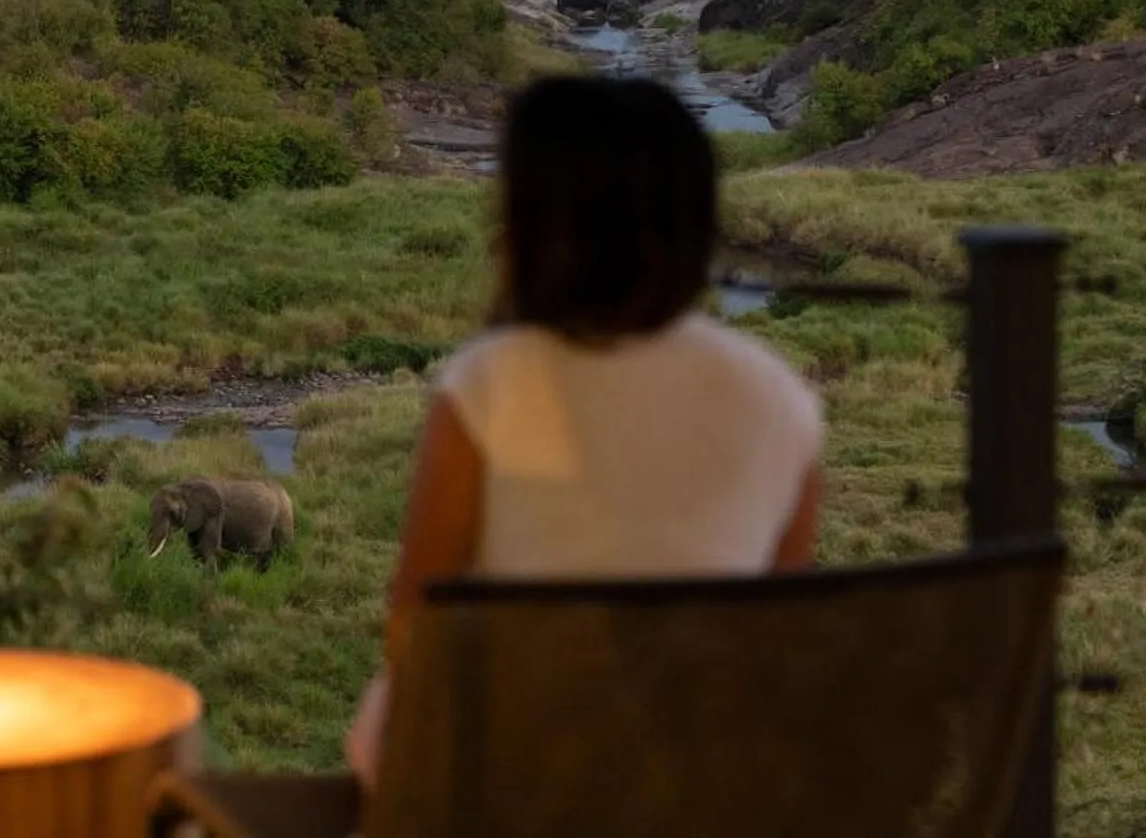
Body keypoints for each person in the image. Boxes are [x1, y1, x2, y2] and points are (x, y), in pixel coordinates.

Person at [345, 74, 823, 791]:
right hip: (705, 796)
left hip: (514, 789)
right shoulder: (783, 401)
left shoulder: (492, 382)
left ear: (535, 228)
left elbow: (415, 627)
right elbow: (777, 637)